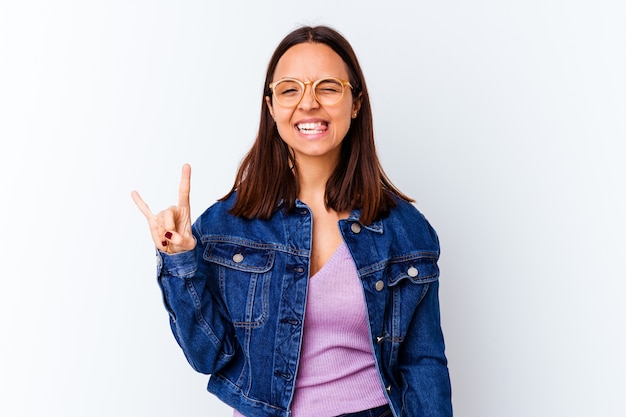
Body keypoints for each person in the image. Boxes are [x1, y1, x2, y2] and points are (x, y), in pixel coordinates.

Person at [132, 25, 452, 417]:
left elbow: (423, 365)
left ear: (355, 103)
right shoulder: (226, 226)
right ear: (271, 107)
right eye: (289, 89)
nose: (309, 103)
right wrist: (180, 261)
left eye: (328, 87)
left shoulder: (406, 231)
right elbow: (208, 357)